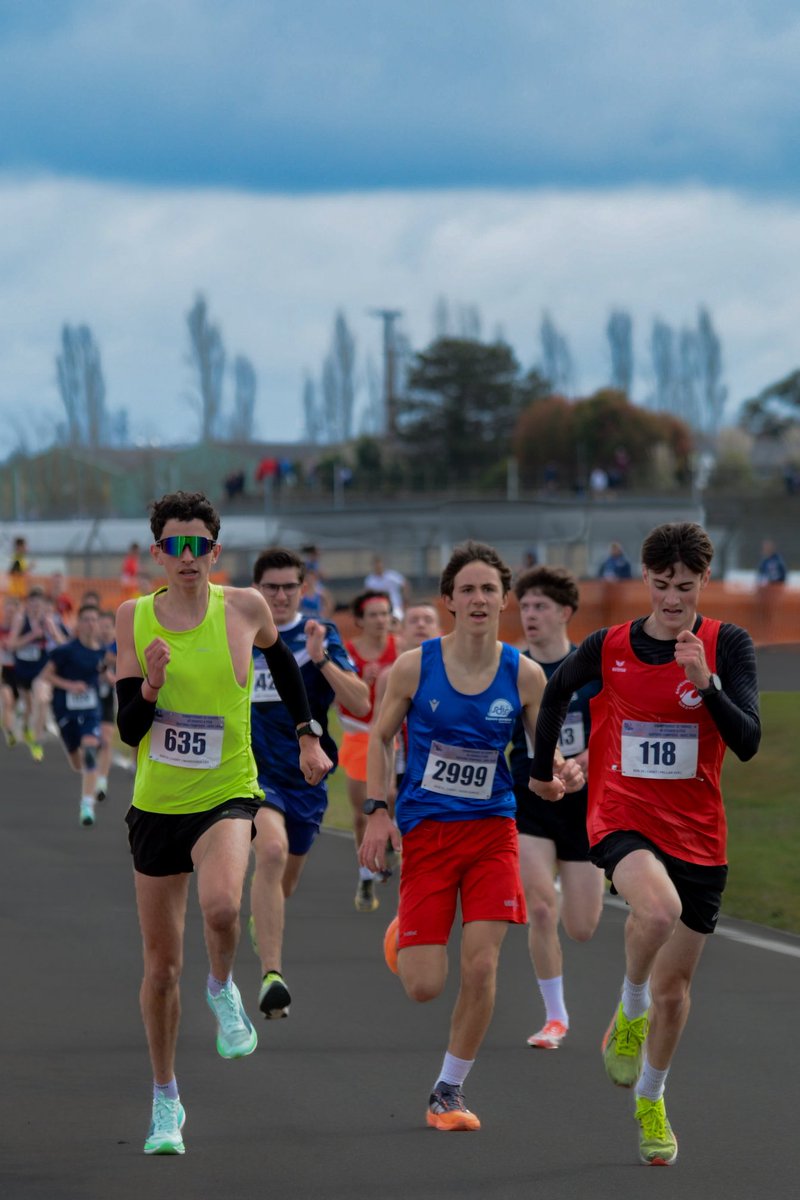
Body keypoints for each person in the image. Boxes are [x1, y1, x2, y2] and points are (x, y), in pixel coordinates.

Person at [530, 521, 761, 1166]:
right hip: (621, 815)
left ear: (703, 582)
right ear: (645, 580)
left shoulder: (728, 644)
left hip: (699, 834)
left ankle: (652, 1099)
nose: (670, 599)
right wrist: (543, 772)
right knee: (655, 911)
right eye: (660, 585)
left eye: (684, 587)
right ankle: (626, 1009)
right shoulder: (610, 647)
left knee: (676, 991)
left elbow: (747, 742)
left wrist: (706, 681)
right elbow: (555, 693)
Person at [115, 491, 330, 1156]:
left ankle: (223, 987)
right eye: (174, 546)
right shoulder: (135, 617)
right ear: (158, 552)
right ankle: (165, 1101)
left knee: (219, 909)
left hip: (228, 792)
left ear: (215, 549)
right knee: (159, 971)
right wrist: (149, 687)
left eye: (198, 544)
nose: (188, 557)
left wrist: (306, 733)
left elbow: (284, 661)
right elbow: (128, 731)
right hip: (157, 805)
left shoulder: (245, 607)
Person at [360, 541, 583, 1132]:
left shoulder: (527, 675)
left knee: (482, 967)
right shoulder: (413, 666)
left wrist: (560, 776)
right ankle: (404, 934)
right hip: (429, 833)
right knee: (425, 987)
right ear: (449, 601)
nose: (480, 599)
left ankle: (447, 1093)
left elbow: (545, 753)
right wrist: (377, 811)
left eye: (490, 589)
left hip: (493, 833)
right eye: (468, 590)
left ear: (504, 599)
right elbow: (381, 740)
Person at [248, 547, 369, 1019]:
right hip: (252, 773)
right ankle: (271, 977)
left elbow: (359, 702)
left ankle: (266, 916)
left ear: (303, 589)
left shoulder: (320, 635)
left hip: (307, 777)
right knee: (271, 852)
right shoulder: (238, 633)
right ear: (256, 589)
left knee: (285, 879)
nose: (279, 595)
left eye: (288, 587)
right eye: (270, 587)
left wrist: (320, 661)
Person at [509, 566, 603, 1050]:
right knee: (540, 909)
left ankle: (564, 880)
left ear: (565, 611)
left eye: (540, 606)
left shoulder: (591, 672)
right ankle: (555, 1018)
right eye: (524, 607)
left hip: (584, 807)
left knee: (582, 928)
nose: (530, 615)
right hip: (529, 801)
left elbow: (616, 735)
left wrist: (581, 763)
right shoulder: (515, 671)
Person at [339, 589, 398, 912]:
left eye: (385, 613)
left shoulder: (400, 649)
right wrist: (361, 679)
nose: (381, 620)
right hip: (361, 735)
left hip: (395, 734)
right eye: (373, 614)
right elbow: (341, 699)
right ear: (360, 621)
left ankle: (389, 837)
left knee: (388, 794)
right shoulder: (348, 653)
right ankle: (364, 876)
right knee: (363, 813)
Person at [39, 602, 106, 826]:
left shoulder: (102, 652)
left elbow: (104, 674)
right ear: (78, 624)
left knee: (90, 750)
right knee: (77, 763)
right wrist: (69, 685)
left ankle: (86, 805)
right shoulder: (66, 651)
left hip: (90, 711)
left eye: (94, 620)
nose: (90, 624)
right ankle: (90, 778)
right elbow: (46, 675)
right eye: (86, 619)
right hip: (64, 710)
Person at [7, 586, 66, 761]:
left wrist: (53, 631)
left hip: (41, 669)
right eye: (32, 604)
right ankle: (25, 727)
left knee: (41, 699)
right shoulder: (20, 619)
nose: (35, 608)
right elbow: (11, 645)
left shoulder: (48, 620)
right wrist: (32, 636)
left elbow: (63, 645)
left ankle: (37, 741)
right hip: (23, 669)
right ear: (27, 604)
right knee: (29, 707)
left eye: (38, 605)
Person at [364, 555, 409, 621]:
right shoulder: (370, 580)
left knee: (397, 621)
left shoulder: (391, 576)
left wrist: (405, 599)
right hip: (379, 608)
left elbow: (405, 584)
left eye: (379, 564)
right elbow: (367, 593)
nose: (378, 566)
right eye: (376, 565)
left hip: (395, 605)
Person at [1, 595, 21, 746]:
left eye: (13, 613)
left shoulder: (21, 632)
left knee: (13, 702)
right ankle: (9, 733)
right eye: (8, 612)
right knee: (7, 701)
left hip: (19, 670)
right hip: (3, 670)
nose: (10, 615)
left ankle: (9, 724)